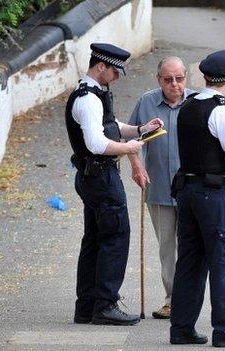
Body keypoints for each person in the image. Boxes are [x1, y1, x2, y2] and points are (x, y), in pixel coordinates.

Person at [65, 43, 162, 326]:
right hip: (101, 177)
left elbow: (111, 125)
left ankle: (87, 306)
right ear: (100, 67)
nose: (118, 77)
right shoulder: (88, 99)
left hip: (93, 177)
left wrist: (141, 129)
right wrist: (129, 147)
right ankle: (106, 305)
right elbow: (96, 143)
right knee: (115, 237)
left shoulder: (93, 94)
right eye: (115, 72)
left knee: (95, 240)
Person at [169, 50, 225, 347]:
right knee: (223, 261)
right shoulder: (222, 111)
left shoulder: (188, 105)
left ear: (205, 77)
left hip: (187, 190)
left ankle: (181, 328)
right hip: (214, 193)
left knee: (190, 261)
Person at [127, 56, 196, 319]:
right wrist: (136, 165)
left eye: (179, 78)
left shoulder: (197, 103)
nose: (174, 84)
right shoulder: (146, 102)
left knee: (190, 246)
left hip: (192, 188)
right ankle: (171, 299)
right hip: (158, 188)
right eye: (168, 80)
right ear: (159, 80)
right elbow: (130, 135)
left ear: (186, 78)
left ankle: (189, 297)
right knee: (167, 247)